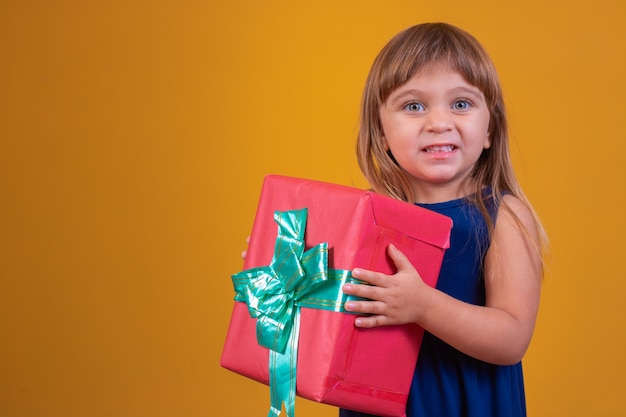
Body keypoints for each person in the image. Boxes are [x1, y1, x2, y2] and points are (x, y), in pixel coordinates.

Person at [337, 22, 547, 417]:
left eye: (461, 103)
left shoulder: (502, 216)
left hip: (464, 404)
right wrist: (286, 270)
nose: (438, 122)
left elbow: (512, 337)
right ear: (381, 131)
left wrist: (422, 306)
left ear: (489, 129)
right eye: (413, 106)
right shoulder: (364, 216)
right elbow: (334, 313)